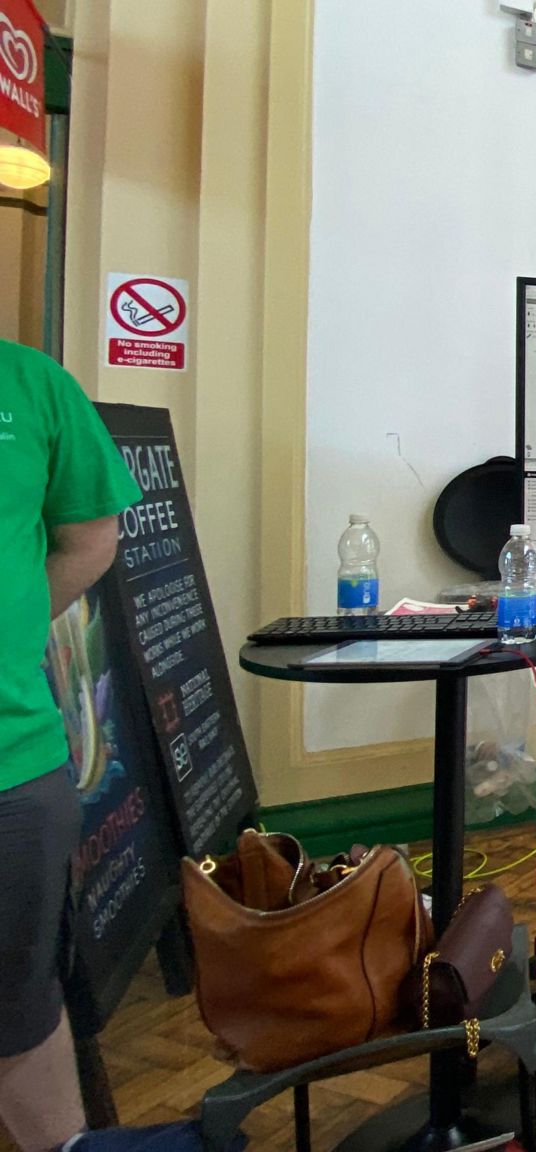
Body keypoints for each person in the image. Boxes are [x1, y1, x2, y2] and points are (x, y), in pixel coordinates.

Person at [0, 338, 140, 1151]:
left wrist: (11, 638)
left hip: (13, 765)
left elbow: (89, 537)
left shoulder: (33, 386)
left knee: (17, 999)